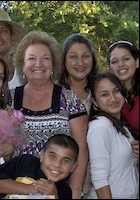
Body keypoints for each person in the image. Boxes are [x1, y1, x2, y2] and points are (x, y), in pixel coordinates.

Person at [9, 30, 89, 199]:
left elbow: (81, 148)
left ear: (53, 65)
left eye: (45, 58)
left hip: (58, 191)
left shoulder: (69, 98)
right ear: (22, 65)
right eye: (31, 58)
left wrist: (74, 192)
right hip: (16, 190)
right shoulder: (8, 99)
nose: (39, 64)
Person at [87, 72, 139, 199]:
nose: (113, 98)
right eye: (104, 94)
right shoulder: (100, 126)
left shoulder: (121, 126)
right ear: (94, 100)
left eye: (116, 91)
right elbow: (99, 178)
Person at [59, 33, 98, 198]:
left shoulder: (102, 92)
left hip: (98, 178)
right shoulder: (54, 93)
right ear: (64, 61)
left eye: (85, 56)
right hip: (60, 178)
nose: (80, 62)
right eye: (73, 57)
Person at [0, 134, 79, 199]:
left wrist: (52, 197)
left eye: (65, 161)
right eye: (52, 156)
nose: (57, 165)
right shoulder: (26, 162)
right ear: (42, 156)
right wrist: (28, 189)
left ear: (73, 167)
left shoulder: (64, 190)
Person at [107, 40, 139, 140]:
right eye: (114, 61)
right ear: (110, 68)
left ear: (137, 62)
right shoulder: (115, 97)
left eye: (126, 59)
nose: (120, 64)